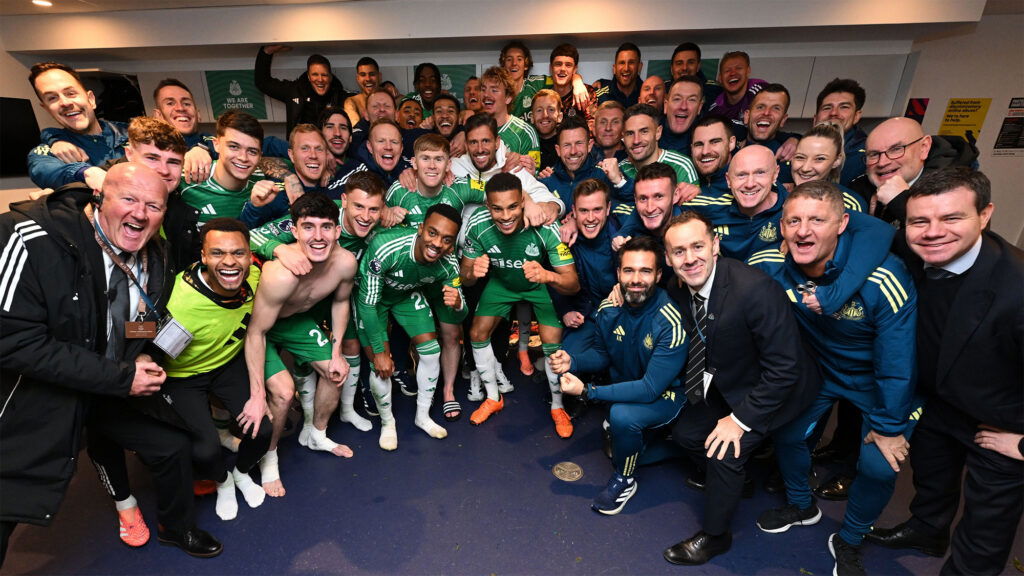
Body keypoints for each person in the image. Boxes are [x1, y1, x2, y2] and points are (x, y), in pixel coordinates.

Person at [0, 163, 222, 562]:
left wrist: (148, 354)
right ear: (100, 196)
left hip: (111, 384)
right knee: (9, 497)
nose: (140, 213)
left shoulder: (158, 254)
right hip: (40, 395)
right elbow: (12, 342)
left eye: (154, 205)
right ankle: (124, 504)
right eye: (129, 199)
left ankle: (177, 528)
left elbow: (138, 319)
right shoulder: (31, 237)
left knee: (173, 447)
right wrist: (122, 376)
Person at [749, 180, 920, 576]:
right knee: (788, 433)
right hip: (823, 372)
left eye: (816, 220)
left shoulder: (883, 278)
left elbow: (899, 361)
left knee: (879, 464)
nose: (803, 230)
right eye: (794, 220)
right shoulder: (776, 266)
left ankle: (851, 538)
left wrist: (891, 425)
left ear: (843, 223)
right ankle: (801, 505)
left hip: (879, 381)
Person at [866, 168, 1023, 576]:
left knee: (985, 528)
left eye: (952, 219)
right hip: (940, 399)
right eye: (920, 221)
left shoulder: (1017, 286)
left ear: (985, 215)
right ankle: (927, 531)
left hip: (1002, 419)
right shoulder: (913, 247)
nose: (933, 232)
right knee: (932, 478)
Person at [659, 212, 820, 565]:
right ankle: (736, 482)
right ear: (668, 259)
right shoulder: (677, 286)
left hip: (779, 390)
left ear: (715, 245)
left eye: (698, 246)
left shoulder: (755, 290)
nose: (690, 258)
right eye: (679, 251)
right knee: (685, 432)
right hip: (731, 379)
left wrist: (741, 419)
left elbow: (785, 368)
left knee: (722, 451)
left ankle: (716, 536)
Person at [551, 235, 687, 514]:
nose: (636, 279)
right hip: (628, 388)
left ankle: (625, 480)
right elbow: (602, 355)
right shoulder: (608, 309)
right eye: (629, 270)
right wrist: (572, 361)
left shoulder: (670, 320)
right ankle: (663, 445)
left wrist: (588, 392)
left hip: (665, 395)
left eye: (645, 271)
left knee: (622, 417)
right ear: (618, 273)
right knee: (619, 438)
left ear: (659, 275)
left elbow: (650, 388)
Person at [250, 171, 385, 432]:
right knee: (278, 384)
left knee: (337, 362)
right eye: (358, 206)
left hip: (316, 304)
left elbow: (342, 301)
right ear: (344, 201)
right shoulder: (316, 214)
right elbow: (250, 235)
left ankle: (320, 427)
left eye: (374, 209)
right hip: (275, 305)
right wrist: (277, 249)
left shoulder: (371, 231)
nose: (365, 216)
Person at [244, 193, 358, 498]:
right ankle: (269, 457)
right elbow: (255, 332)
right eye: (308, 227)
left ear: (337, 231)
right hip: (261, 330)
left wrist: (336, 353)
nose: (318, 237)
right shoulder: (280, 274)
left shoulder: (345, 263)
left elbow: (341, 301)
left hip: (296, 322)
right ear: (294, 231)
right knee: (283, 393)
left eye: (326, 227)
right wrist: (257, 393)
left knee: (337, 371)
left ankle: (317, 434)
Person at [160, 217, 272, 521]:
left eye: (238, 253)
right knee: (205, 451)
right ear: (203, 257)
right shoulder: (178, 300)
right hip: (181, 377)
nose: (229, 262)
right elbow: (135, 331)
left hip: (225, 365)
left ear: (250, 256)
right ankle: (222, 483)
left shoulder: (256, 277)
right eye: (218, 253)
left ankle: (240, 472)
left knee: (262, 429)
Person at [460, 173, 580, 436]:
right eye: (497, 208)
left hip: (537, 285)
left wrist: (547, 275)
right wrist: (473, 272)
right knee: (476, 334)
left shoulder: (544, 227)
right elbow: (465, 278)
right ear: (487, 206)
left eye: (512, 206)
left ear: (523, 202)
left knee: (552, 344)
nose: (505, 216)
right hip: (501, 284)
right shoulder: (477, 224)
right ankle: (493, 398)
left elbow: (573, 284)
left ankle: (558, 406)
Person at [356, 204, 467, 449]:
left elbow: (461, 314)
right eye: (433, 233)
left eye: (447, 240)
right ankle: (388, 424)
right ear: (420, 228)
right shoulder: (387, 247)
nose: (438, 244)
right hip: (373, 301)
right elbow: (367, 305)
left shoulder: (448, 264)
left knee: (432, 351)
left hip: (405, 295)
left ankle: (423, 416)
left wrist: (458, 304)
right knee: (380, 363)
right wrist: (380, 352)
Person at [26, 61, 127, 191]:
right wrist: (85, 172)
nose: (65, 102)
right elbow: (43, 169)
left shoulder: (132, 134)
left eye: (70, 93)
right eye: (52, 98)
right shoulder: (47, 151)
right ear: (46, 109)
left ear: (91, 99)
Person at [179, 110, 285, 229]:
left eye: (252, 151)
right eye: (234, 147)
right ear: (216, 144)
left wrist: (291, 178)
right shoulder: (186, 177)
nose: (243, 158)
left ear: (260, 155)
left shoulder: (265, 183)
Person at [618, 103, 699, 204]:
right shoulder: (619, 170)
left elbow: (690, 214)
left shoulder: (681, 166)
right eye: (630, 133)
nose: (636, 140)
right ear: (623, 137)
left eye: (644, 131)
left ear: (658, 132)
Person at [255, 45, 346, 134]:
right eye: (315, 74)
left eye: (324, 75)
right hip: (299, 146)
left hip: (329, 147)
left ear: (330, 77)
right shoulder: (294, 91)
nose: (320, 79)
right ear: (309, 77)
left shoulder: (340, 95)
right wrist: (266, 52)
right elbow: (263, 83)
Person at [480, 66, 541, 171]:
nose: (486, 95)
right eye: (483, 89)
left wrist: (525, 167)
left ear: (508, 98)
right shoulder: (472, 129)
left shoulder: (525, 132)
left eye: (494, 90)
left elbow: (534, 173)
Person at [813, 78, 868, 186]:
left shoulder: (869, 154)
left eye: (844, 107)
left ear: (857, 116)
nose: (834, 113)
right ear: (815, 118)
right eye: (827, 107)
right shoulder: (799, 146)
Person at [707, 51, 768, 126]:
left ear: (748, 71)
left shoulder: (759, 90)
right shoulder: (716, 107)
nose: (732, 73)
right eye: (727, 70)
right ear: (720, 78)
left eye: (738, 68)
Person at [669, 42, 722, 113]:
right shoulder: (663, 90)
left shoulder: (714, 92)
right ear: (672, 69)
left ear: (698, 66)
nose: (684, 68)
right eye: (679, 63)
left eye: (690, 62)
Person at [659, 76, 702, 155]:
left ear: (699, 108)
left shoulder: (704, 146)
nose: (683, 107)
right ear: (666, 105)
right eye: (677, 99)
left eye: (691, 100)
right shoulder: (647, 135)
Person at [595, 43, 643, 107]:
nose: (626, 68)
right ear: (614, 68)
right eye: (622, 63)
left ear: (639, 67)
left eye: (631, 62)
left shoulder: (647, 95)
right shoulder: (599, 95)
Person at [344, 56, 382, 126]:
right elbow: (356, 130)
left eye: (372, 74)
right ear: (358, 78)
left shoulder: (389, 100)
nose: (368, 79)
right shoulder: (351, 102)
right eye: (363, 75)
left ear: (379, 76)